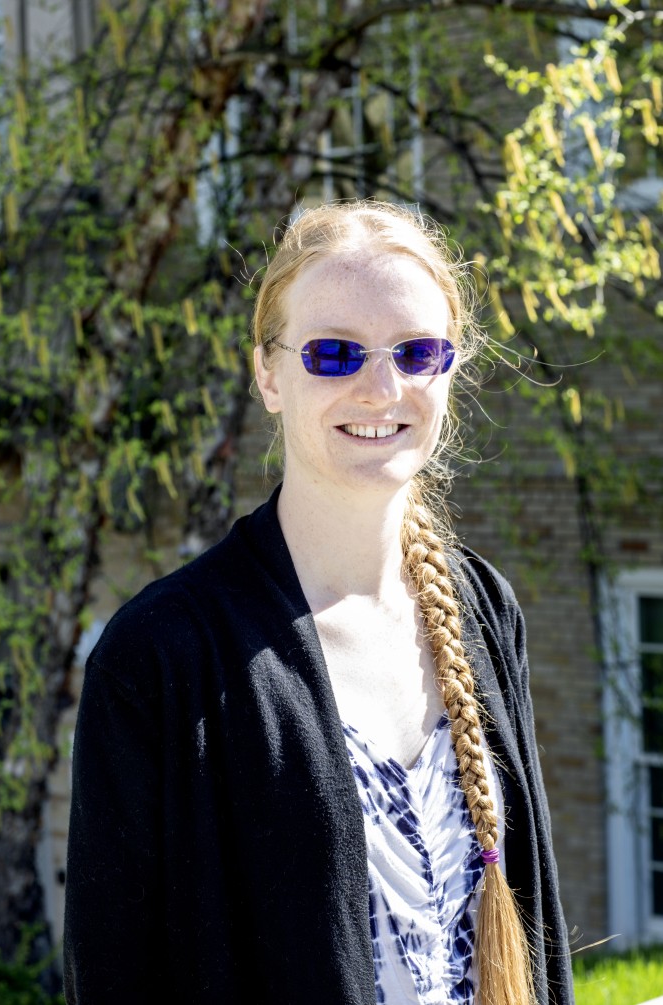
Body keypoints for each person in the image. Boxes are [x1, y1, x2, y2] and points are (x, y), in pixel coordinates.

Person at [63, 200, 574, 1005]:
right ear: (268, 373)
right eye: (335, 354)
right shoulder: (161, 657)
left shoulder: (482, 607)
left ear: (452, 367)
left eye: (417, 351)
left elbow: (532, 925)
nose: (382, 386)